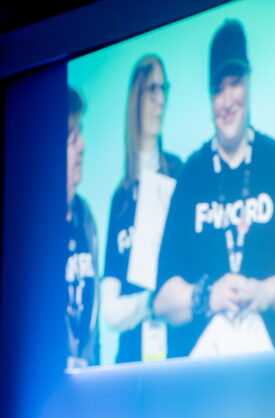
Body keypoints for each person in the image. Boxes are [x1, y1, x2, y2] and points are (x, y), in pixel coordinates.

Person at [153, 19, 275, 358]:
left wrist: (264, 291)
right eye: (217, 88)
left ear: (249, 82)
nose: (227, 99)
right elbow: (163, 299)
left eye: (235, 83)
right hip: (199, 371)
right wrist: (206, 296)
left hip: (264, 367)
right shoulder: (191, 174)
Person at [102, 54, 182, 363]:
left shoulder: (178, 172)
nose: (160, 99)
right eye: (152, 89)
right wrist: (150, 303)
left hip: (177, 352)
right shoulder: (119, 201)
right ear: (137, 97)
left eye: (165, 89)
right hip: (131, 361)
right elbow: (109, 312)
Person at [66, 87, 99, 369]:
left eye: (81, 134)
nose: (83, 145)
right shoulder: (33, 234)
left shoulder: (85, 217)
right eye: (72, 137)